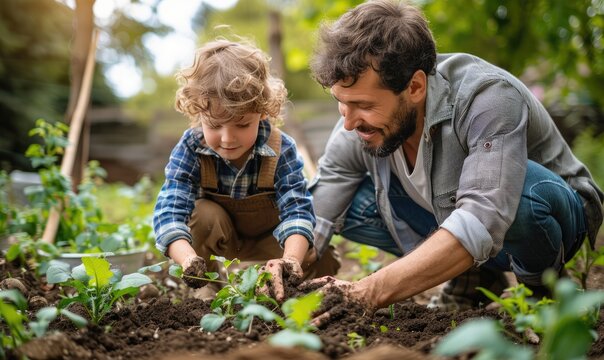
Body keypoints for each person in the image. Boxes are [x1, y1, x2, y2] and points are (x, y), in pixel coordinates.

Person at [304, 0, 603, 321]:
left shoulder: (488, 97)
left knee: (518, 194)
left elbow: (484, 213)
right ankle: (470, 276)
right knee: (349, 202)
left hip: (556, 214)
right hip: (463, 215)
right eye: (341, 102)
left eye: (362, 104)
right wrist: (290, 264)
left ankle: (542, 292)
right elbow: (322, 202)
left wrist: (369, 291)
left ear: (415, 86)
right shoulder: (361, 117)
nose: (348, 122)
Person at [152, 39, 340, 301]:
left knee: (317, 253)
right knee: (201, 213)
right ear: (198, 112)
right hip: (221, 241)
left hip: (273, 243)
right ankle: (206, 289)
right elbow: (170, 211)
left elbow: (297, 210)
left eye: (242, 125)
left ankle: (291, 290)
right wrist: (188, 260)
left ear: (262, 112)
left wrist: (291, 261)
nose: (228, 139)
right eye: (215, 125)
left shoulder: (280, 148)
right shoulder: (191, 147)